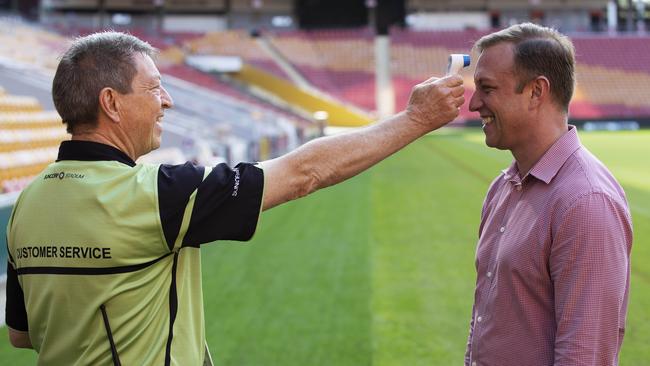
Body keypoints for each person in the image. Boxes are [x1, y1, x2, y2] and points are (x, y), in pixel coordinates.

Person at [5, 31, 465, 365]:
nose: (166, 100)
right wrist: (415, 120)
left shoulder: (29, 204)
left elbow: (23, 336)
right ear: (111, 102)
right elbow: (304, 173)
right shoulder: (155, 194)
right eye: (153, 87)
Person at [465, 23, 633, 366]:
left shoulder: (586, 203)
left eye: (487, 88)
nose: (473, 104)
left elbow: (584, 355)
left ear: (536, 92)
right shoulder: (503, 187)